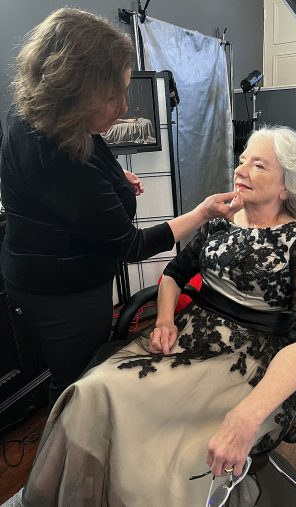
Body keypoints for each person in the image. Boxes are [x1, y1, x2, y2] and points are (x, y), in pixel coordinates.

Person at [19, 125, 296, 506]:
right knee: (90, 394)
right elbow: (174, 275)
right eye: (242, 158)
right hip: (190, 338)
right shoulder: (220, 221)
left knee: (168, 458)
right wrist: (165, 319)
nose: (241, 170)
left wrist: (246, 416)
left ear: (287, 186)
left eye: (259, 165)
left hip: (250, 362)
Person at [0, 8, 241, 405]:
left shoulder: (37, 115)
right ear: (76, 92)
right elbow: (130, 246)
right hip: (63, 293)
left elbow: (72, 189)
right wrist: (201, 213)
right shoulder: (63, 157)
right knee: (77, 387)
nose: (125, 106)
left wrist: (112, 183)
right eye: (114, 95)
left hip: (30, 270)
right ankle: (70, 458)